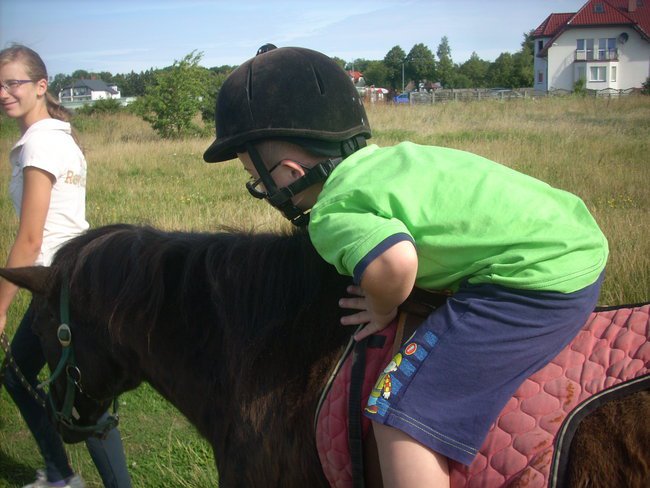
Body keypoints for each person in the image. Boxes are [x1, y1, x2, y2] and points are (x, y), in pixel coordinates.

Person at [202, 45, 608, 487]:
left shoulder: (332, 213)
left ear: (290, 173)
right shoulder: (388, 163)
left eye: (257, 179)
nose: (260, 188)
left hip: (534, 282)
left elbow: (395, 264)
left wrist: (381, 307)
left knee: (400, 420)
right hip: (574, 236)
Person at [0, 44, 132, 488]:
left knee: (81, 395)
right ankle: (60, 474)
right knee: (25, 377)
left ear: (41, 86)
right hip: (72, 275)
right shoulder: (59, 136)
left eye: (13, 83)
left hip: (57, 283)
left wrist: (0, 306)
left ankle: (64, 477)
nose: (4, 92)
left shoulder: (40, 143)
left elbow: (31, 238)